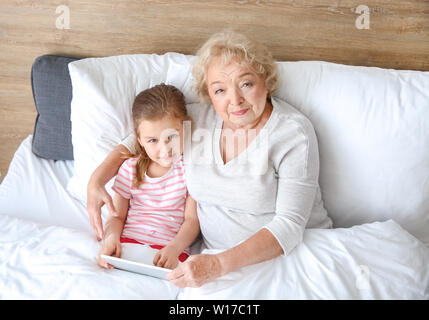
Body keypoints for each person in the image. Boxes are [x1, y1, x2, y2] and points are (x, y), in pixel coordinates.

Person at [88, 30, 332, 288]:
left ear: (267, 79)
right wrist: (97, 179)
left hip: (290, 257)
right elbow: (140, 137)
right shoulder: (197, 120)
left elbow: (290, 226)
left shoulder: (292, 133)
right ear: (208, 94)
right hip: (212, 264)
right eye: (220, 90)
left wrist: (218, 265)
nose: (234, 100)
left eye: (246, 84)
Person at [97, 84, 200, 270]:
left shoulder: (189, 170)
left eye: (171, 136)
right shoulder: (130, 168)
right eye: (153, 140)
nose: (165, 148)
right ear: (139, 140)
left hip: (170, 252)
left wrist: (174, 248)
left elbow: (192, 221)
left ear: (186, 127)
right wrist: (111, 239)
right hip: (128, 246)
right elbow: (117, 217)